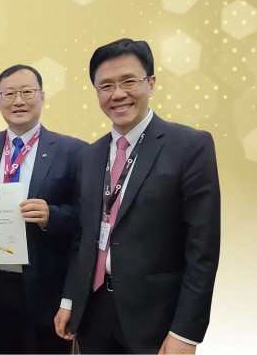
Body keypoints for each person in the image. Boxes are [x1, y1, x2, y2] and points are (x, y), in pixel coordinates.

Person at [54, 38, 221, 354]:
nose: (117, 94)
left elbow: (203, 250)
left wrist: (186, 333)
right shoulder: (88, 156)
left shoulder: (190, 146)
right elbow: (83, 237)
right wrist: (69, 300)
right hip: (93, 312)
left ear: (151, 83)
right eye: (106, 86)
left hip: (156, 319)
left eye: (128, 81)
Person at [0, 65, 86, 354]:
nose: (18, 101)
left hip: (43, 291)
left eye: (27, 92)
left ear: (42, 96)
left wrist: (53, 215)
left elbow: (85, 220)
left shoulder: (73, 151)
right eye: (9, 93)